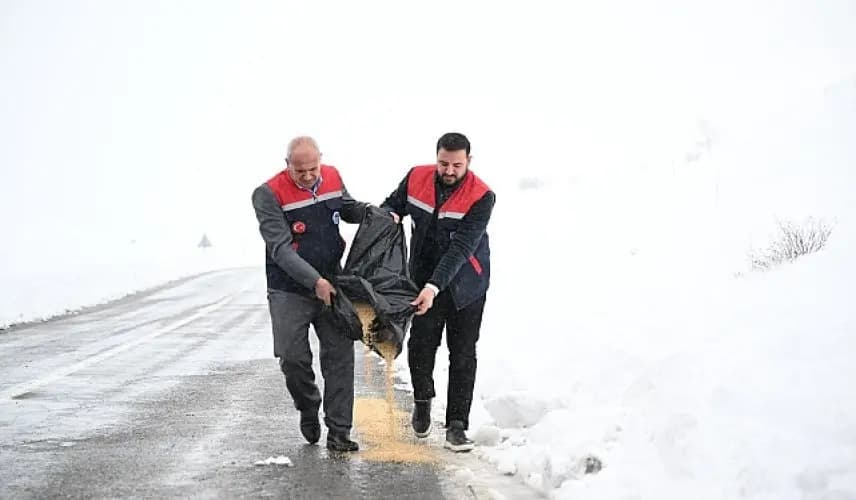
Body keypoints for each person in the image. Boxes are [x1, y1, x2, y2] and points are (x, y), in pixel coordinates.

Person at [380, 132, 495, 452]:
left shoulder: (482, 195)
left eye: (456, 165)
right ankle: (422, 400)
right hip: (422, 278)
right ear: (436, 158)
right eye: (443, 163)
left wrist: (434, 286)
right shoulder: (416, 176)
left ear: (468, 162)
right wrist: (390, 214)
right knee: (421, 345)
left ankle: (457, 425)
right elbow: (392, 203)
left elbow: (461, 248)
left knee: (462, 354)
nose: (449, 170)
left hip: (466, 285)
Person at [252, 136, 367, 452]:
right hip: (289, 288)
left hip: (334, 281)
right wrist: (315, 282)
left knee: (340, 356)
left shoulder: (331, 175)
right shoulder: (267, 194)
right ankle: (307, 404)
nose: (307, 176)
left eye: (312, 168)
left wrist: (371, 212)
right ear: (286, 163)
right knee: (293, 358)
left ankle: (339, 431)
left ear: (321, 160)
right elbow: (280, 249)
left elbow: (346, 208)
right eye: (299, 170)